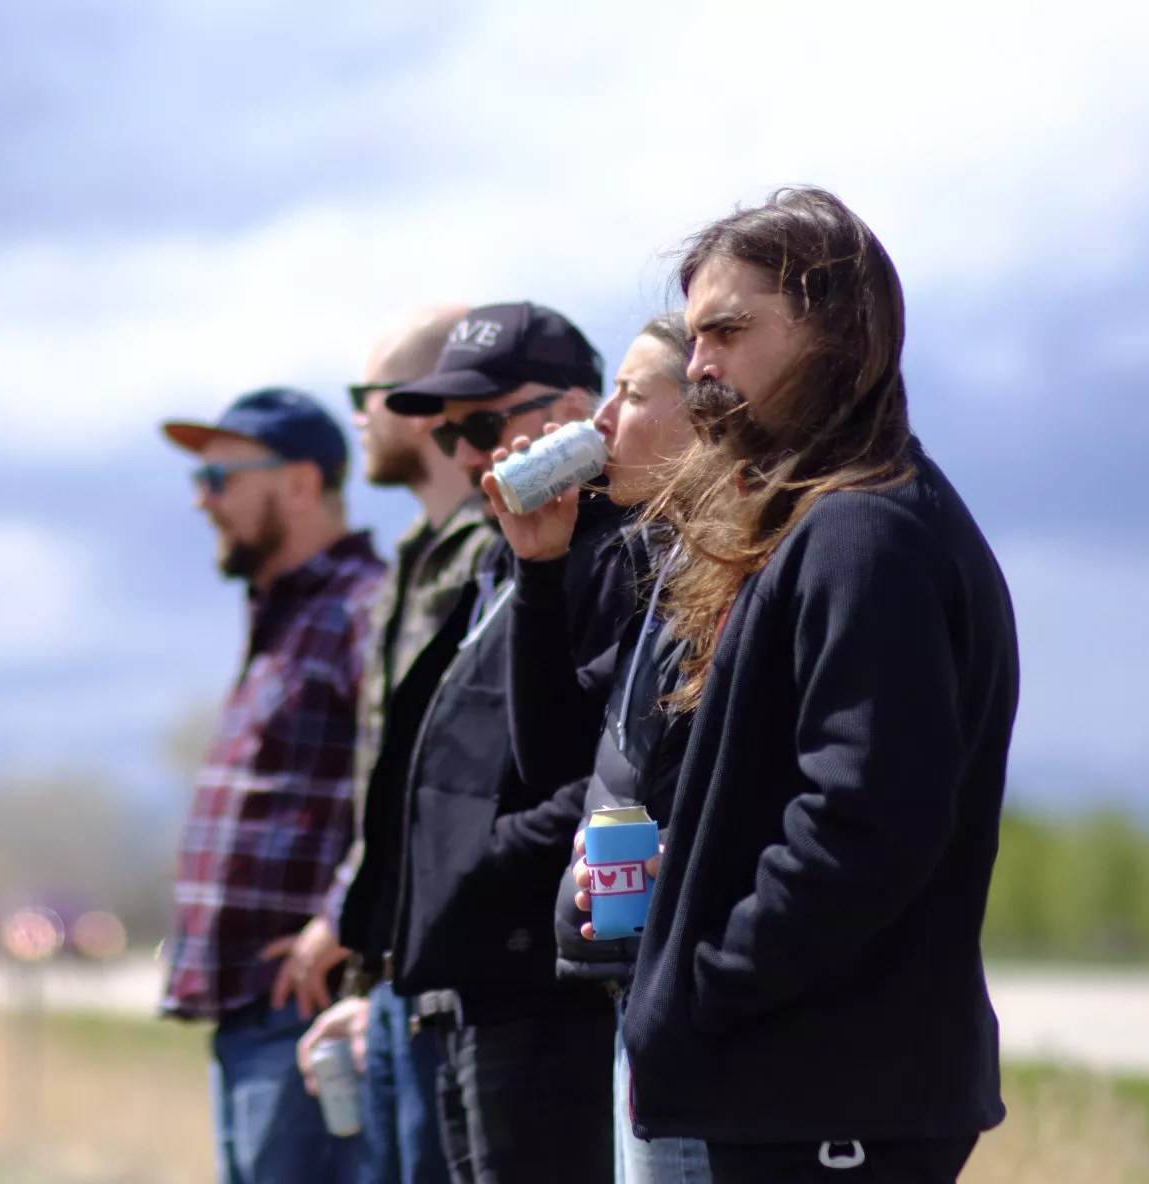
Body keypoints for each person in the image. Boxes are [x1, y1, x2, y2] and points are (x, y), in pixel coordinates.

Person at [599, 188, 1020, 1183]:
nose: (700, 365)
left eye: (730, 331)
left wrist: (701, 985)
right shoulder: (832, 522)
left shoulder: (863, 533)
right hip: (789, 1091)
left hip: (818, 1104)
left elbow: (865, 823)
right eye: (696, 336)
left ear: (834, 331)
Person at [382, 302, 636, 1183]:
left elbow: (620, 775)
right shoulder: (516, 553)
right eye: (451, 433)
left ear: (574, 413)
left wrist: (480, 861)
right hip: (476, 985)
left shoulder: (617, 552)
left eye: (485, 426)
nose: (465, 456)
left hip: (548, 992)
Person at [481, 313, 713, 1184]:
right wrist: (537, 569)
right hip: (635, 986)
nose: (603, 420)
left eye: (631, 395)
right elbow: (553, 759)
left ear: (706, 417)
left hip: (693, 1003)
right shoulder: (660, 561)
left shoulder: (746, 572)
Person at [282, 303, 490, 1184]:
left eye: (368, 394)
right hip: (396, 983)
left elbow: (456, 788)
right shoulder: (410, 557)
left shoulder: (495, 552)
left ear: (422, 402)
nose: (359, 419)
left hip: (455, 986)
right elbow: (389, 792)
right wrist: (370, 981)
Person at [160, 387, 385, 1184]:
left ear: (298, 482)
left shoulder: (362, 606)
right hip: (253, 1007)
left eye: (220, 480)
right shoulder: (285, 613)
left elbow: (400, 786)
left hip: (307, 1011)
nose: (202, 501)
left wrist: (338, 919)